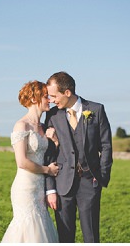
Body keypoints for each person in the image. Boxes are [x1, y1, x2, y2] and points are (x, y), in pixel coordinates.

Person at [44, 71, 113, 242]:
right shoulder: (52, 115)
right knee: (65, 237)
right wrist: (51, 189)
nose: (51, 100)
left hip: (90, 182)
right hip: (63, 184)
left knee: (91, 236)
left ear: (67, 92)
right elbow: (48, 154)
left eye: (53, 95)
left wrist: (101, 176)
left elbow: (106, 146)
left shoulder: (96, 110)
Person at [2, 81, 60, 242]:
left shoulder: (44, 126)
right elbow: (22, 162)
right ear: (34, 99)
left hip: (40, 188)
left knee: (42, 230)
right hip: (25, 188)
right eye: (45, 96)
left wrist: (55, 142)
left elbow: (49, 155)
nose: (49, 99)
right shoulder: (21, 126)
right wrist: (47, 170)